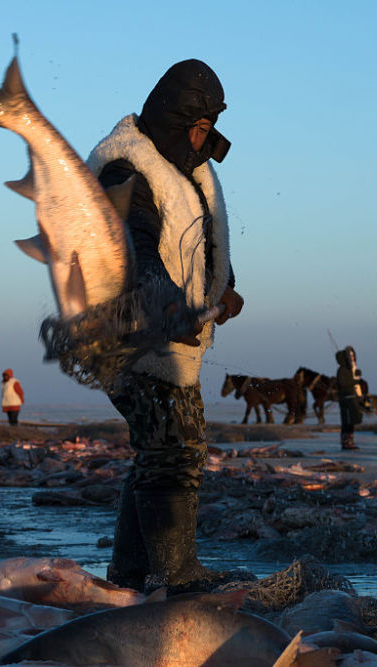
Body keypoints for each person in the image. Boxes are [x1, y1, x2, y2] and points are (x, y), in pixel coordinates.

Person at [86, 59, 244, 594]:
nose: (204, 139)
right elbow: (133, 247)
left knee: (160, 448)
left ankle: (130, 572)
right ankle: (174, 574)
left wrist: (224, 287)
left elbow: (197, 239)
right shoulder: (126, 169)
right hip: (130, 337)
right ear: (173, 120)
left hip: (169, 339)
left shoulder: (184, 170)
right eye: (196, 127)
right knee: (175, 448)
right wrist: (166, 303)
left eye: (208, 128)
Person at [335, 346, 365, 451]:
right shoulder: (342, 370)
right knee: (347, 421)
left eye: (353, 355)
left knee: (352, 421)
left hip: (352, 397)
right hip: (346, 399)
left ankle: (349, 442)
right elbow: (343, 383)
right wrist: (355, 381)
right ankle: (346, 443)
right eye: (350, 355)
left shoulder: (352, 369)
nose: (352, 358)